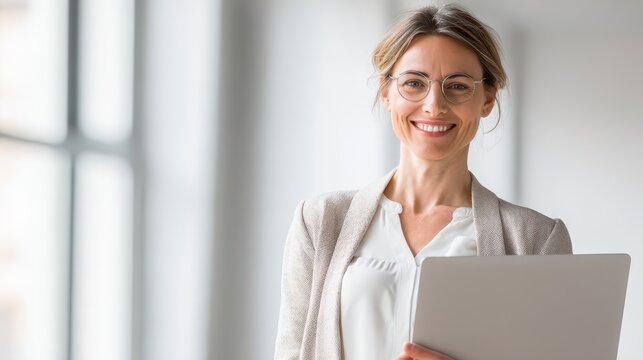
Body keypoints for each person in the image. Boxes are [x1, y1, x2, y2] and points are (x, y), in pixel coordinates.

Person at [274, 4, 572, 360]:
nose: (434, 105)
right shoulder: (320, 221)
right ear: (386, 92)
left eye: (458, 86)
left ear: (487, 98)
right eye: (414, 83)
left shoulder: (536, 240)